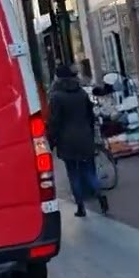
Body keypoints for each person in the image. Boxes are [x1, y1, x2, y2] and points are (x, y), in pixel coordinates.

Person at [47, 64, 109, 217]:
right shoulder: (81, 93)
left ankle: (80, 206)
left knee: (73, 174)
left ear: (58, 78)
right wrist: (89, 132)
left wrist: (51, 141)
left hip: (67, 141)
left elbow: (54, 122)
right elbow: (90, 115)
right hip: (85, 137)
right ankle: (100, 196)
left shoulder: (56, 97)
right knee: (89, 170)